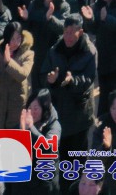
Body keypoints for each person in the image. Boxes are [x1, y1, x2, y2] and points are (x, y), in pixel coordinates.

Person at [41, 15, 96, 156]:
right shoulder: (55, 50)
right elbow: (44, 73)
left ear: (81, 32)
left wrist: (73, 81)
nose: (68, 36)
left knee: (77, 156)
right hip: (59, 111)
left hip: (80, 114)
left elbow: (88, 79)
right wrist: (50, 80)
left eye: (72, 32)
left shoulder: (89, 51)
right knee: (61, 155)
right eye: (66, 32)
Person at [0, 20, 33, 128]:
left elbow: (23, 74)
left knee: (13, 139)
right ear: (6, 38)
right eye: (12, 39)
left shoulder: (27, 54)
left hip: (17, 106)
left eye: (18, 38)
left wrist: (8, 62)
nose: (16, 42)